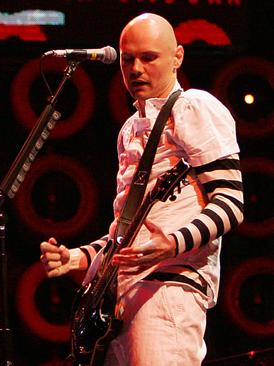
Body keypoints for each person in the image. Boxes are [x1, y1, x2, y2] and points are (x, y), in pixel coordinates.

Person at [39, 13, 244, 365]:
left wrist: (173, 243)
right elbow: (127, 234)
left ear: (177, 57)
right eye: (127, 58)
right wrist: (77, 257)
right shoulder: (130, 128)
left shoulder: (194, 107)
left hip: (170, 288)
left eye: (149, 58)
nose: (135, 69)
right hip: (122, 297)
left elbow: (231, 202)